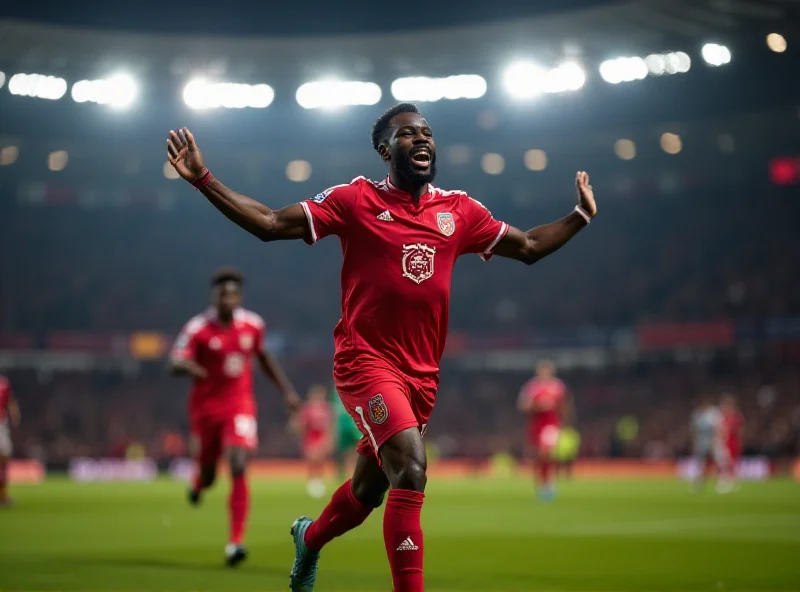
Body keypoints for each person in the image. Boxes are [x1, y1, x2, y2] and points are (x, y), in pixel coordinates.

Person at [166, 102, 597, 591]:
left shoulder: (460, 210)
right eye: (408, 134)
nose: (422, 140)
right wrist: (205, 180)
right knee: (411, 470)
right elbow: (268, 222)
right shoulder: (356, 200)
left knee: (367, 493)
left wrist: (581, 214)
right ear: (383, 149)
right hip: (365, 363)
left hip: (422, 376)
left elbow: (531, 246)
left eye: (427, 133)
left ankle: (309, 541)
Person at [170, 268, 299, 566]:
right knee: (210, 474)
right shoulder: (197, 329)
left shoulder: (253, 325)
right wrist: (188, 368)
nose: (227, 299)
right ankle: (199, 484)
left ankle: (235, 542)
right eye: (222, 294)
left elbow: (263, 357)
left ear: (239, 297)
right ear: (213, 297)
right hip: (205, 410)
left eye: (232, 294)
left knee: (239, 463)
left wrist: (287, 391)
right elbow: (174, 362)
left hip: (240, 405)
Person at [517, 360, 571, 500]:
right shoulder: (531, 387)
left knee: (545, 451)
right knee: (538, 456)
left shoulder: (558, 386)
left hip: (551, 423)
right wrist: (536, 406)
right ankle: (542, 482)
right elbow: (523, 406)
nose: (544, 373)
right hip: (536, 424)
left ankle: (549, 483)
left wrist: (564, 422)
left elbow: (564, 405)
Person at [293, 384, 334, 499]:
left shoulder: (326, 409)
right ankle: (311, 481)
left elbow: (330, 425)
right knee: (312, 459)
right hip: (311, 437)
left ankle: (319, 480)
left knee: (320, 460)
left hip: (322, 436)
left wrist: (329, 439)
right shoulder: (307, 409)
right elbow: (301, 424)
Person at [690, 396, 723, 493]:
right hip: (701, 443)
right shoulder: (697, 415)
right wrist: (694, 444)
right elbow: (694, 431)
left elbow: (717, 430)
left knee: (717, 462)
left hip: (713, 442)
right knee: (701, 464)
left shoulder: (713, 414)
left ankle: (720, 482)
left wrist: (716, 442)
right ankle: (699, 483)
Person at [331, 385, 363, 482]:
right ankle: (341, 473)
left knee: (356, 450)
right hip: (342, 425)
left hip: (354, 424)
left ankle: (355, 473)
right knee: (342, 451)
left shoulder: (356, 388)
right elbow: (334, 411)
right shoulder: (335, 393)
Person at [0, 375, 21, 507]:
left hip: (1, 424)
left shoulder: (3, 383)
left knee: (5, 458)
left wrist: (15, 416)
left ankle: (3, 495)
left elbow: (10, 402)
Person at [718, 394, 745, 493]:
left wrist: (740, 442)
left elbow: (740, 430)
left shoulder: (736, 417)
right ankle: (726, 480)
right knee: (725, 462)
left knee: (732, 462)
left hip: (733, 442)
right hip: (725, 442)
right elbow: (721, 431)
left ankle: (732, 481)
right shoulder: (723, 417)